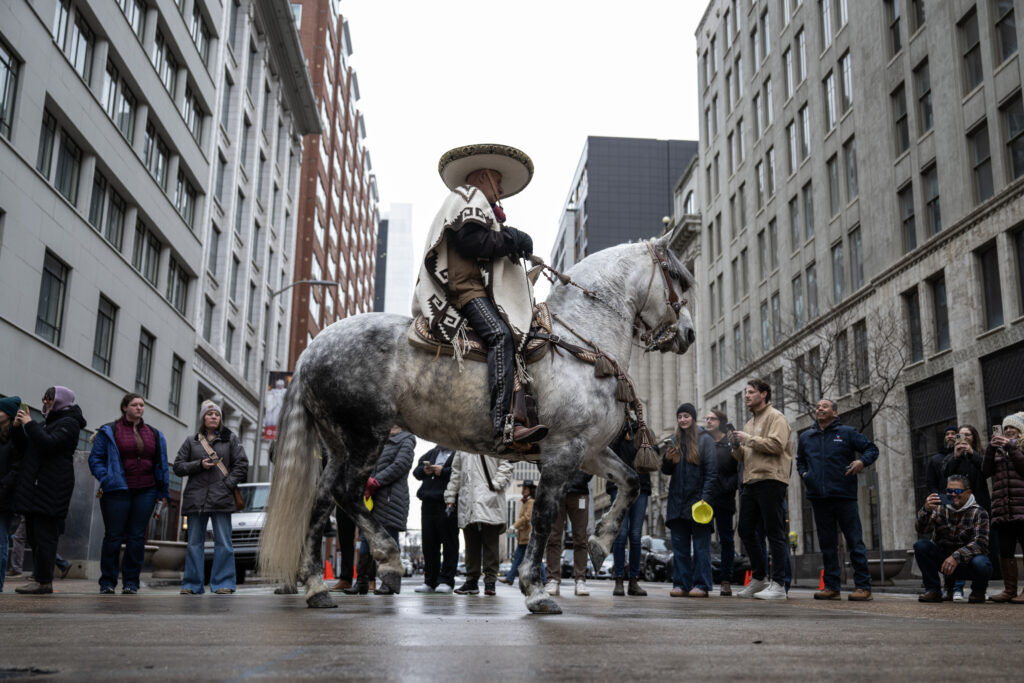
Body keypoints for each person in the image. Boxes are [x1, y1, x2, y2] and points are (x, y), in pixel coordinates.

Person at [413, 144, 546, 451]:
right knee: (501, 335)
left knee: (515, 332)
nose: (500, 188)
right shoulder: (468, 198)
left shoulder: (472, 204)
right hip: (465, 290)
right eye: (497, 180)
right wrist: (512, 238)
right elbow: (473, 241)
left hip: (473, 288)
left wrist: (511, 240)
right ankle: (502, 425)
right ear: (483, 176)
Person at [797, 399, 879, 601]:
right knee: (827, 544)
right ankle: (832, 586)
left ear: (835, 412)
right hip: (819, 498)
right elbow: (800, 461)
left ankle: (862, 586)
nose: (819, 409)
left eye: (824, 406)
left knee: (854, 541)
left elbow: (872, 449)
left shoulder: (847, 432)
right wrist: (806, 475)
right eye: (817, 407)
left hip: (844, 496)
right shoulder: (806, 436)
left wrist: (861, 461)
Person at [88, 393, 170, 594]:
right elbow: (95, 459)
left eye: (142, 405)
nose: (139, 408)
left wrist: (163, 491)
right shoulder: (110, 430)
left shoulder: (154, 434)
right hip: (116, 490)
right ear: (125, 407)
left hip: (146, 490)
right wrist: (106, 478)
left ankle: (131, 582)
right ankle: (107, 582)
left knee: (136, 538)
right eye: (135, 405)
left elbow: (162, 464)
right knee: (113, 537)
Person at [12, 386, 86, 595]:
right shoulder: (48, 423)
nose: (45, 402)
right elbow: (26, 449)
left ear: (62, 400)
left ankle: (44, 581)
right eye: (44, 398)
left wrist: (30, 424)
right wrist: (18, 428)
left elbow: (49, 444)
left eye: (50, 398)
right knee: (35, 536)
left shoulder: (70, 423)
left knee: (45, 536)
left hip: (52, 486)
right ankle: (40, 578)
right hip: (37, 486)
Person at [174, 400, 248, 595]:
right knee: (193, 544)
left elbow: (242, 465)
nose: (213, 417)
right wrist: (199, 464)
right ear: (203, 418)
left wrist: (226, 485)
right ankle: (191, 585)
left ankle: (224, 583)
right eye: (209, 414)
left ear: (220, 418)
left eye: (216, 414)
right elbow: (178, 467)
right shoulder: (192, 441)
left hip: (222, 498)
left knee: (224, 543)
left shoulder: (231, 439)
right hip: (195, 499)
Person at [732, 379, 793, 601]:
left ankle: (778, 584)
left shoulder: (776, 417)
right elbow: (744, 456)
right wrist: (736, 447)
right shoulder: (749, 423)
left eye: (751, 392)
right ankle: (760, 578)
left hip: (771, 479)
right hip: (750, 481)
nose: (747, 396)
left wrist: (748, 439)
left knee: (774, 532)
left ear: (764, 394)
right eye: (746, 392)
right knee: (745, 530)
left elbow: (777, 445)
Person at [345, 426, 415, 595]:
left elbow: (401, 465)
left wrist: (375, 481)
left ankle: (389, 582)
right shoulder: (378, 438)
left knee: (389, 539)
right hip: (371, 499)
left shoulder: (407, 439)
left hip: (391, 498)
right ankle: (361, 582)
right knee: (365, 542)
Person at [661, 403, 717, 598]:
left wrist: (705, 500)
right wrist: (667, 459)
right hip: (677, 502)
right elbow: (666, 471)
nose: (683, 419)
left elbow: (711, 473)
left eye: (686, 416)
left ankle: (701, 585)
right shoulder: (673, 440)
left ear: (692, 418)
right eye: (680, 416)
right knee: (679, 548)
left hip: (698, 503)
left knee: (701, 547)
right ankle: (681, 583)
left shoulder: (705, 440)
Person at [914, 474, 992, 603]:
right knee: (921, 545)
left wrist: (956, 556)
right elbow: (922, 530)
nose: (953, 495)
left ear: (968, 492)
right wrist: (926, 510)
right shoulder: (939, 508)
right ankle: (933, 590)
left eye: (958, 491)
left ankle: (978, 591)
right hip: (944, 562)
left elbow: (980, 543)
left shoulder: (979, 512)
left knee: (982, 563)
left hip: (968, 563)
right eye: (949, 491)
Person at [445, 450, 514, 596]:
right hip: (468, 500)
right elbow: (456, 472)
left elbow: (506, 463)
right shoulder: (462, 447)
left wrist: (496, 484)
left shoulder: (490, 442)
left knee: (490, 544)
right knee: (471, 544)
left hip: (489, 497)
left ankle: (490, 581)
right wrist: (450, 496)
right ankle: (472, 581)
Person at [943, 424, 997, 601]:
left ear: (973, 438)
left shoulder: (980, 455)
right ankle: (949, 587)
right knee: (950, 544)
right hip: (954, 508)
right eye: (961, 435)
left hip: (978, 508)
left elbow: (987, 470)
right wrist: (956, 457)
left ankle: (979, 589)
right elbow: (944, 475)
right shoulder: (951, 457)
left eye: (968, 435)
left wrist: (972, 453)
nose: (963, 438)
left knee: (979, 548)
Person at [982, 412, 1024, 603]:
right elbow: (985, 472)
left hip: (1022, 508)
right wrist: (991, 449)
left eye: (1012, 428)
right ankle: (1010, 590)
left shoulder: (1019, 448)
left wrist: (1012, 448)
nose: (1008, 431)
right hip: (1003, 509)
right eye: (1006, 428)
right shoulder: (998, 450)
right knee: (1005, 550)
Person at [607, 421, 650, 597]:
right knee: (621, 534)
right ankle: (618, 579)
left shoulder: (644, 432)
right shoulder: (615, 432)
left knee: (635, 535)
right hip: (620, 486)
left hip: (641, 487)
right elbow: (608, 454)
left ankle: (633, 580)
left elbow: (652, 457)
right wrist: (620, 431)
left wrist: (643, 434)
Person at [413, 444, 458, 594]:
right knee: (429, 544)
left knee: (449, 542)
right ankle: (430, 580)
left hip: (448, 502)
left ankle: (446, 580)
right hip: (428, 501)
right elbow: (416, 472)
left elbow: (462, 474)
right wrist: (425, 470)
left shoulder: (459, 453)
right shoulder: (432, 452)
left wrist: (443, 471)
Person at [544, 469, 594, 597]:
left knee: (581, 538)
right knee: (553, 538)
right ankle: (553, 579)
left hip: (579, 491)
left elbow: (591, 458)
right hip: (555, 491)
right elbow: (543, 457)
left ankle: (580, 580)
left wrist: (581, 478)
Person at [706, 409, 738, 596]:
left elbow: (739, 467)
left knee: (726, 539)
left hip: (725, 498)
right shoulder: (705, 441)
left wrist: (729, 485)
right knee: (703, 539)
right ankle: (704, 578)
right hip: (706, 498)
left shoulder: (730, 442)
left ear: (721, 422)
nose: (708, 421)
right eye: (707, 419)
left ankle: (726, 580)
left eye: (712, 419)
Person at [0, 396, 23, 592]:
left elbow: (17, 468)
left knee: (1, 541)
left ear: (8, 414)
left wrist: (3, 485)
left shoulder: (16, 438)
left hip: (4, 498)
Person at [499, 480, 535, 586]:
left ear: (530, 490)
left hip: (527, 537)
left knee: (533, 559)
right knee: (518, 558)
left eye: (525, 489)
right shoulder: (526, 502)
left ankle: (543, 578)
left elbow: (527, 517)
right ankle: (510, 578)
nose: (523, 491)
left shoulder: (531, 502)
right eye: (523, 488)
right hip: (523, 537)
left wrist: (514, 526)